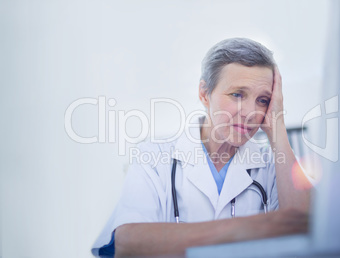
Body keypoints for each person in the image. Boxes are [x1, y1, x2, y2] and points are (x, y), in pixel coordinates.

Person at [91, 38, 312, 257]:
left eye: (262, 100)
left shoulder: (273, 168)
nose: (250, 112)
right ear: (204, 93)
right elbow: (130, 243)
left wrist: (278, 128)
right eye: (237, 94)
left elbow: (312, 228)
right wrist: (251, 228)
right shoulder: (153, 156)